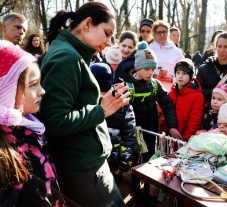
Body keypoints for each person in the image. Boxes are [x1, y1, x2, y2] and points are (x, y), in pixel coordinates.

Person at [39, 2, 129, 207]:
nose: (109, 42)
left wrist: (101, 103)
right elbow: (56, 121)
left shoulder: (72, 53)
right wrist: (102, 110)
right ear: (88, 23)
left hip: (87, 164)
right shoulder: (66, 57)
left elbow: (73, 103)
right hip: (84, 169)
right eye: (106, 33)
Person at [0, 40, 65, 206]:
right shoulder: (8, 152)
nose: (42, 91)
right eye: (33, 84)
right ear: (6, 90)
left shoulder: (26, 127)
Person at [125, 41, 180, 205]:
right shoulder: (129, 87)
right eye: (147, 69)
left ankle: (148, 192)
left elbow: (167, 105)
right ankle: (136, 194)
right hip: (134, 132)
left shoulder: (155, 85)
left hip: (151, 131)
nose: (151, 72)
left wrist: (172, 126)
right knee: (136, 162)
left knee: (149, 161)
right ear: (137, 68)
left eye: (153, 69)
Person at [90, 62, 139, 177]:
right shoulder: (85, 101)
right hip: (89, 161)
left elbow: (129, 138)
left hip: (112, 163)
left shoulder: (124, 106)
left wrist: (123, 164)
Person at [168, 58, 204, 141]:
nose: (180, 76)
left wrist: (185, 139)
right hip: (168, 138)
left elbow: (194, 121)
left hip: (183, 140)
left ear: (191, 76)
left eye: (184, 73)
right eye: (178, 72)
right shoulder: (171, 93)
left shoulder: (197, 96)